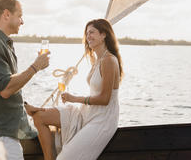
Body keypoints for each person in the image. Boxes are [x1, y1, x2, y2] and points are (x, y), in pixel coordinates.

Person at [25, 18, 123, 160]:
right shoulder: (97, 60)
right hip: (88, 112)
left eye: (92, 32)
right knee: (39, 117)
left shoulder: (109, 60)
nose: (88, 36)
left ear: (104, 35)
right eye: (87, 33)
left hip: (103, 119)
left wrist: (74, 98)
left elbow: (104, 99)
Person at [0, 0, 49, 160]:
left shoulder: (1, 43)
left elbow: (1, 89)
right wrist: (36, 66)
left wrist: (25, 106)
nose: (22, 21)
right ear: (6, 15)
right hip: (0, 136)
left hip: (3, 134)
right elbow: (5, 89)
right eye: (20, 15)